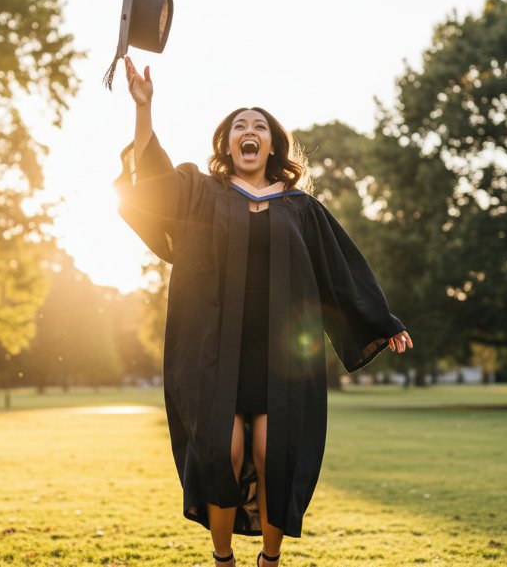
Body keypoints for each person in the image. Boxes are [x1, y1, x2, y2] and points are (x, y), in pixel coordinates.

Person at [116, 56, 414, 567]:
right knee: (223, 453)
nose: (249, 132)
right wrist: (144, 109)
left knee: (273, 456)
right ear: (226, 145)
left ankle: (270, 561)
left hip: (281, 359)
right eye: (239, 127)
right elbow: (154, 183)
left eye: (259, 126)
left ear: (273, 144)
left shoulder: (302, 208)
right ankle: (224, 557)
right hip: (214, 352)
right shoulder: (200, 193)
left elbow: (339, 272)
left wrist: (379, 322)